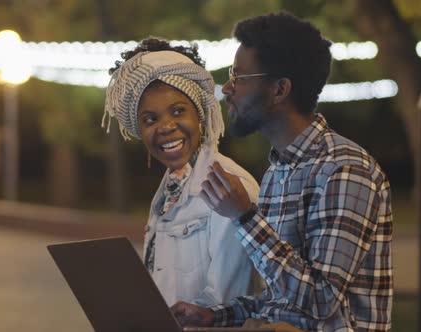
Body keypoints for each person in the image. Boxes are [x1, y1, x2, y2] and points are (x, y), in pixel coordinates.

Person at [171, 11, 393, 331]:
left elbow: (320, 300)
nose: (227, 89)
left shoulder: (344, 170)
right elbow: (284, 298)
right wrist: (216, 315)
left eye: (239, 77)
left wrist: (245, 217)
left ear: (279, 90)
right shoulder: (280, 170)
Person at [103, 38, 260, 307]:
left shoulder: (229, 186)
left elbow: (228, 305)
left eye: (178, 111)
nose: (165, 127)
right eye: (149, 119)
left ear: (199, 114)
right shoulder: (168, 192)